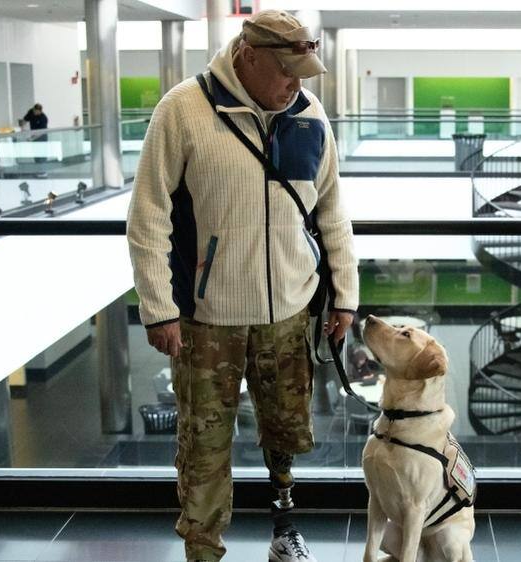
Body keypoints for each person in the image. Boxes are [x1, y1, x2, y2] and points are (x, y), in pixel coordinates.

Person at [126, 10, 358, 562]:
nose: (296, 85)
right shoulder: (184, 109)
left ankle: (284, 520)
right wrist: (159, 308)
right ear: (248, 56)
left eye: (304, 72)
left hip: (289, 312)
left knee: (285, 430)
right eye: (286, 71)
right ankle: (203, 549)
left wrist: (344, 295)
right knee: (204, 449)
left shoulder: (308, 113)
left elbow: (332, 211)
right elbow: (148, 217)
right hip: (207, 321)